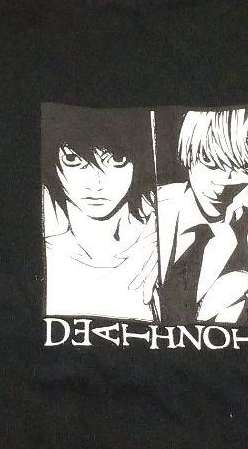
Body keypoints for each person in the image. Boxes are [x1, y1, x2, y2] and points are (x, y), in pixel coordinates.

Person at [155, 107, 248, 325]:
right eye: (209, 161)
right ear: (188, 151)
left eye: (243, 167)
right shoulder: (151, 207)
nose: (221, 186)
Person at [41, 104, 159, 321]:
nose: (96, 183)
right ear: (53, 164)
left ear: (138, 163)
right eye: (73, 160)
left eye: (117, 160)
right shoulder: (45, 253)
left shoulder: (162, 240)